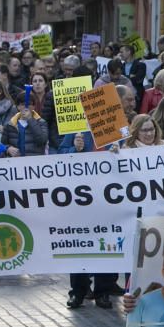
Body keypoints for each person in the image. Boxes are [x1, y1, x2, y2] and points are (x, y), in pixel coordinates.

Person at [59, 129, 119, 309]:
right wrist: (74, 150)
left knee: (106, 243)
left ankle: (103, 292)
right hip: (80, 196)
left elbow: (125, 155)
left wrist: (119, 151)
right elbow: (60, 153)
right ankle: (78, 291)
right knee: (80, 243)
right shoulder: (76, 127)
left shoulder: (111, 124)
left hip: (107, 194)